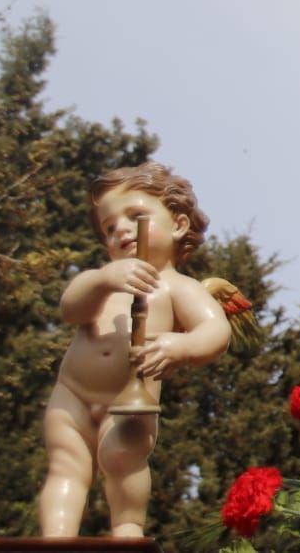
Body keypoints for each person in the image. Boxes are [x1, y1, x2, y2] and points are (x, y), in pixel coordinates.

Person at [38, 163, 232, 537]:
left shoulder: (176, 286)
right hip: (72, 393)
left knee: (123, 462)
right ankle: (55, 539)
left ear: (178, 225)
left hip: (130, 401)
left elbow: (215, 331)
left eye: (135, 217)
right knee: (66, 467)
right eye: (109, 228)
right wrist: (102, 281)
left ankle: (127, 531)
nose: (121, 230)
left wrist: (180, 345)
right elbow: (70, 309)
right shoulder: (102, 281)